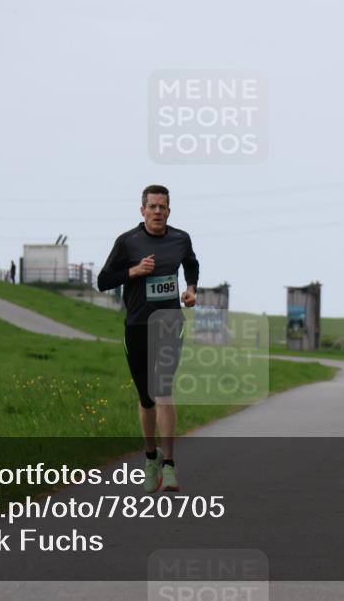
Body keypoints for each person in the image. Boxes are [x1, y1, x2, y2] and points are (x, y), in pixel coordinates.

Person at [98, 184, 198, 493]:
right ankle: (150, 458)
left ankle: (170, 466)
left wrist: (191, 289)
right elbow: (103, 281)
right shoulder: (127, 242)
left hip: (169, 323)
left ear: (169, 211)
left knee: (163, 389)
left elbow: (191, 263)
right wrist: (134, 271)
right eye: (152, 207)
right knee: (146, 397)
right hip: (137, 325)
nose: (157, 211)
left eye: (162, 207)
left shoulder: (180, 238)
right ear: (142, 210)